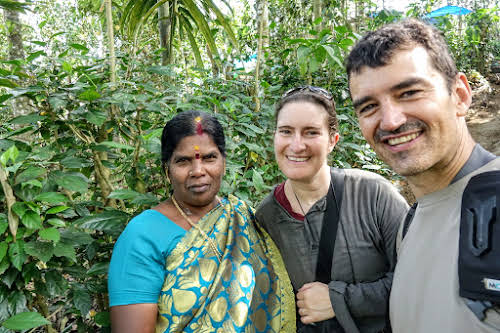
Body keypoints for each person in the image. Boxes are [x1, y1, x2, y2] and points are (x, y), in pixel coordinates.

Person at [346, 19, 500, 333]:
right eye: (369, 107)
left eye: (409, 92)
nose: (389, 121)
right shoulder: (410, 222)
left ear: (459, 95)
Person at [108, 110, 295, 333]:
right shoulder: (142, 235)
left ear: (223, 162)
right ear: (167, 170)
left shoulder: (246, 218)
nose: (198, 171)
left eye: (209, 158)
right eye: (183, 161)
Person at [255, 86, 409, 333]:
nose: (296, 145)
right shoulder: (266, 217)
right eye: (286, 131)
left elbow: (419, 279)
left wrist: (339, 299)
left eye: (311, 132)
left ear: (332, 141)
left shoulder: (373, 194)